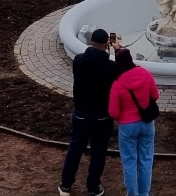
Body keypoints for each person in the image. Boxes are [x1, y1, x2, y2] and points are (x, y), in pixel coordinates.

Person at [58, 28, 120, 196]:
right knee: (99, 150)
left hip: (81, 113)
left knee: (75, 148)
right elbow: (123, 72)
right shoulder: (111, 67)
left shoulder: (78, 61)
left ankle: (66, 185)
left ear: (91, 42)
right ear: (107, 43)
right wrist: (118, 50)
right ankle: (93, 186)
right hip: (102, 115)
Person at [109, 48, 158, 196]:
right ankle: (144, 193)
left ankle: (132, 194)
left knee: (129, 162)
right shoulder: (145, 73)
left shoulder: (117, 84)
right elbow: (155, 96)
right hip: (147, 124)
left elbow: (113, 112)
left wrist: (123, 117)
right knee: (146, 160)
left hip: (127, 126)